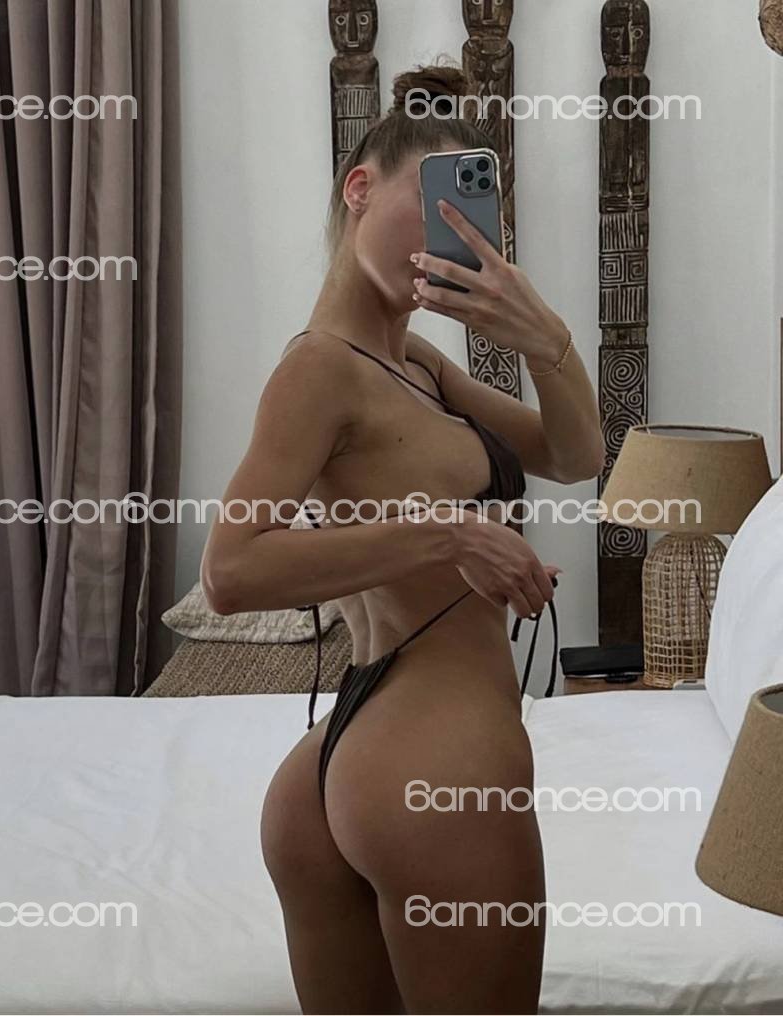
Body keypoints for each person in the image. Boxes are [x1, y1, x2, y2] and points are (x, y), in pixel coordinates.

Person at [200, 64, 604, 1014]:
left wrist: (546, 339)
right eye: (427, 204)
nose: (445, 235)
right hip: (433, 758)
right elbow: (230, 571)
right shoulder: (320, 370)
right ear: (359, 188)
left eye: (466, 216)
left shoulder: (413, 361)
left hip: (344, 760)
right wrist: (447, 531)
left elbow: (575, 454)